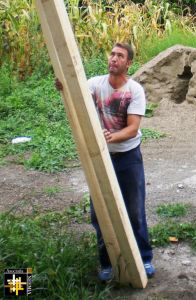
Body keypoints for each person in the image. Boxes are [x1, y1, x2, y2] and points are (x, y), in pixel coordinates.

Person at [55, 43, 154, 281]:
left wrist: (111, 136)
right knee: (100, 212)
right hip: (101, 156)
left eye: (120, 56)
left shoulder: (134, 90)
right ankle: (107, 262)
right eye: (112, 54)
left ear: (128, 63)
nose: (113, 58)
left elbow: (132, 129)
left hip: (128, 157)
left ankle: (143, 258)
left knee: (134, 209)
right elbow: (76, 97)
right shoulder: (94, 84)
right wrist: (65, 89)